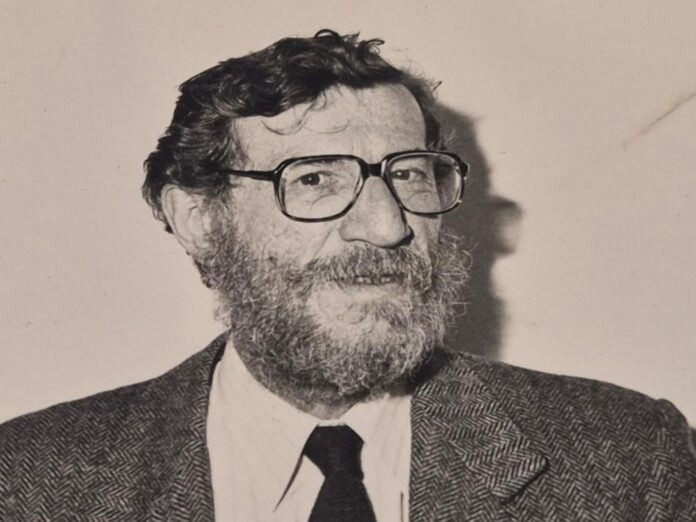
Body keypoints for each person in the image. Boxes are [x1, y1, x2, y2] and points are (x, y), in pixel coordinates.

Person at [1, 30, 694, 522]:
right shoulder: (31, 483)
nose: (387, 226)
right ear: (199, 219)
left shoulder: (630, 457)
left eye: (411, 175)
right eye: (314, 178)